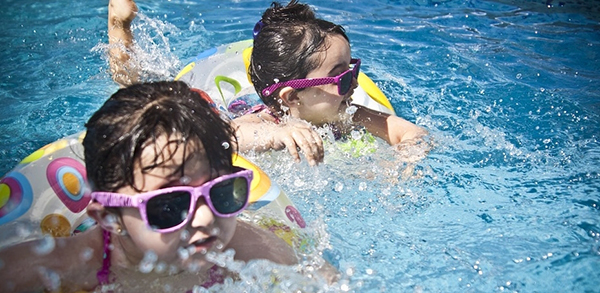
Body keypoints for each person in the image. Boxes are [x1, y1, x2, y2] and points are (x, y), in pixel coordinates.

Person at [0, 80, 297, 293]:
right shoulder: (64, 267)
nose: (206, 217)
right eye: (170, 205)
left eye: (221, 192)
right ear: (108, 216)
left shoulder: (246, 249)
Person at [107, 0, 427, 166]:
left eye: (353, 71)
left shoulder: (350, 115)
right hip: (228, 108)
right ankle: (119, 27)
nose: (354, 85)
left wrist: (406, 159)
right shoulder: (265, 119)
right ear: (291, 97)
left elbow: (407, 132)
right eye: (342, 78)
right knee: (137, 94)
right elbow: (226, 138)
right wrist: (277, 133)